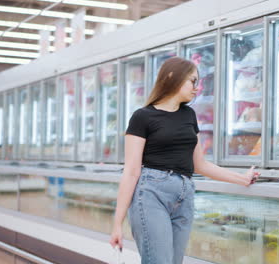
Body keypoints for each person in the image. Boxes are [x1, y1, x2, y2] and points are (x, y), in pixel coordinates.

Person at [109, 57, 260, 264]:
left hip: (185, 194)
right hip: (152, 193)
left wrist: (242, 179)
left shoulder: (188, 115)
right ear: (172, 77)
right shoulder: (142, 117)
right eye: (192, 81)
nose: (196, 88)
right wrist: (117, 223)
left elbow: (200, 164)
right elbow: (131, 171)